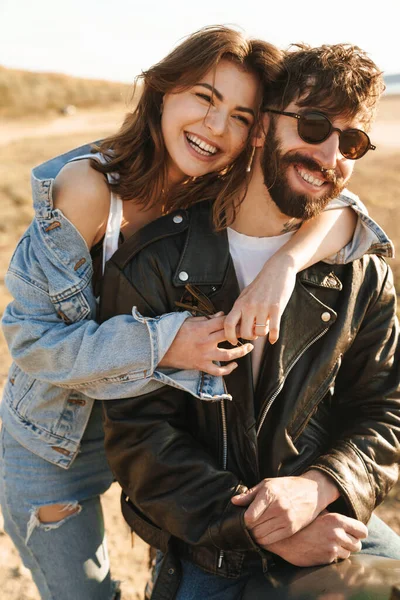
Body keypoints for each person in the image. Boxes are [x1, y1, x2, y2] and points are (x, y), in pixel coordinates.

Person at [0, 27, 378, 600]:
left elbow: (343, 204)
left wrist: (284, 266)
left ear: (257, 132)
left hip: (152, 422)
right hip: (60, 431)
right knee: (81, 591)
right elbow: (31, 342)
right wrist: (167, 343)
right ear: (163, 91)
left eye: (240, 115)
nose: (214, 127)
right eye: (205, 98)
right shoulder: (89, 190)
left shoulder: (219, 183)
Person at [100, 42, 400, 600]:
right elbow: (139, 436)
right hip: (210, 539)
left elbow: (386, 408)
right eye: (313, 126)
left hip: (330, 520)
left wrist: (319, 487)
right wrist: (258, 523)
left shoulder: (362, 272)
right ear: (261, 128)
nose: (330, 155)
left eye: (351, 141)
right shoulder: (155, 262)